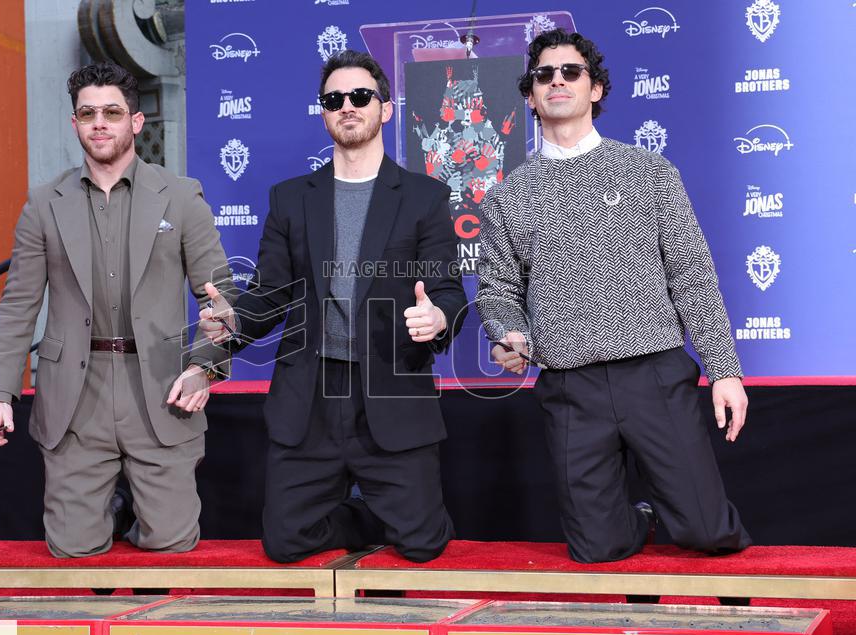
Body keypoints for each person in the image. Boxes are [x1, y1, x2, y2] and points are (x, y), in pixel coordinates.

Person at [476, 29, 752, 563]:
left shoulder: (650, 173)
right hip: (568, 385)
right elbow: (498, 289)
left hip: (653, 371)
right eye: (543, 75)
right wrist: (507, 331)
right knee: (596, 549)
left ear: (595, 89)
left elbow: (692, 276)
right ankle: (640, 519)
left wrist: (724, 369)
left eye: (570, 72)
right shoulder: (508, 195)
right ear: (529, 96)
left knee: (704, 529)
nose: (557, 81)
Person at [200, 50, 467, 563]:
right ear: (323, 112)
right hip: (310, 396)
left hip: (391, 390)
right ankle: (361, 518)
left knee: (424, 545)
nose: (347, 105)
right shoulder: (291, 198)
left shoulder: (424, 196)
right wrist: (234, 324)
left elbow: (450, 291)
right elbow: (271, 292)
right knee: (284, 544)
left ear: (384, 109)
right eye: (334, 99)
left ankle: (387, 516)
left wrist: (436, 318)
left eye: (360, 96)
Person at [0, 61, 236, 558]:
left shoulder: (181, 198)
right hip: (76, 395)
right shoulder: (43, 204)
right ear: (75, 124)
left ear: (135, 122)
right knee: (73, 550)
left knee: (172, 543)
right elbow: (17, 308)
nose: (100, 122)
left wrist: (205, 367)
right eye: (88, 113)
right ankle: (104, 518)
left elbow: (219, 295)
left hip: (160, 389)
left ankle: (130, 520)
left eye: (112, 112)